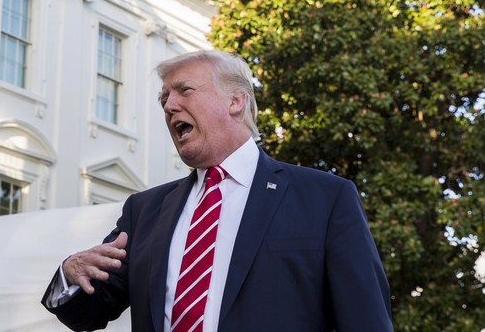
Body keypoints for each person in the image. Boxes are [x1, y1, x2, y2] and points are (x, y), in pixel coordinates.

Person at [42, 49, 392, 331]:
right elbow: (89, 313)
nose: (168, 105)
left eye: (184, 90)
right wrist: (70, 274)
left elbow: (365, 320)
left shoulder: (325, 199)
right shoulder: (144, 211)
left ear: (235, 102)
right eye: (164, 98)